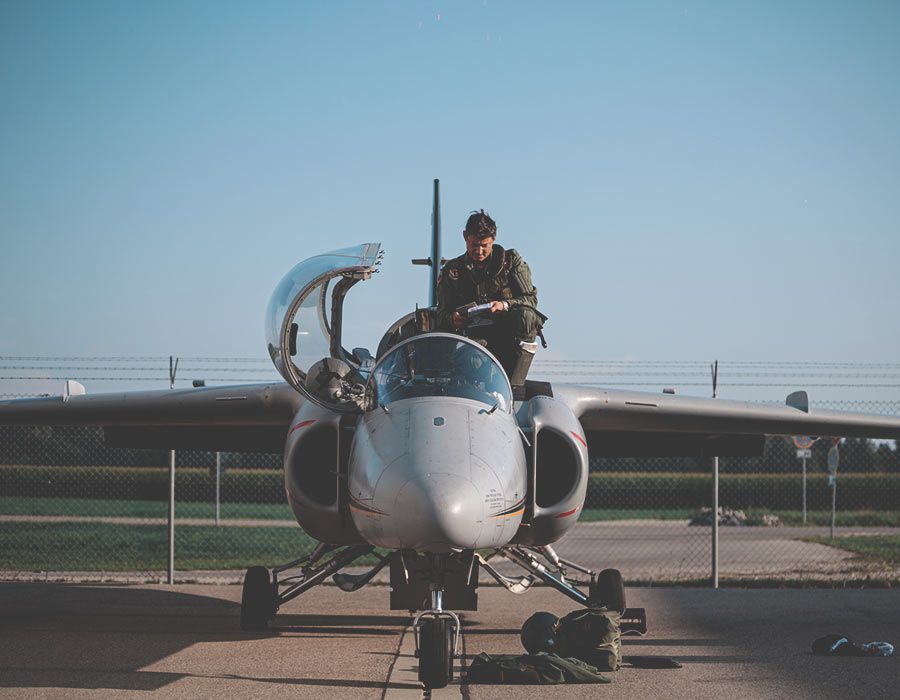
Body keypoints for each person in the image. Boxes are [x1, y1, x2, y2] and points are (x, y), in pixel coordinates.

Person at [435, 209, 546, 390]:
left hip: (510, 334)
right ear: (465, 237)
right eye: (474, 245)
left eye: (484, 245)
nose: (478, 251)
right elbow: (440, 316)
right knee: (472, 360)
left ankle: (514, 387)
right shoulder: (452, 271)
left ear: (493, 239)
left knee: (527, 316)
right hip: (475, 339)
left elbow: (531, 299)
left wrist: (504, 305)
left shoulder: (511, 262)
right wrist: (453, 319)